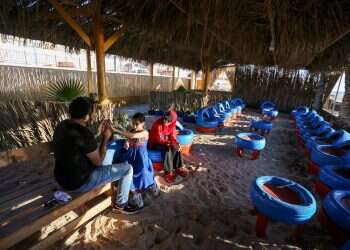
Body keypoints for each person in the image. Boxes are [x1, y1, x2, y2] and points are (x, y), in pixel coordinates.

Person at [52, 97, 142, 214]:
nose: (94, 115)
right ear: (86, 116)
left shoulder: (62, 125)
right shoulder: (84, 134)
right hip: (78, 183)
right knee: (128, 168)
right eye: (93, 112)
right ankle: (121, 205)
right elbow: (98, 161)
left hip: (61, 178)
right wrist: (105, 138)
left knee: (107, 157)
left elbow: (79, 144)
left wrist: (97, 134)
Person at [112, 112, 159, 208]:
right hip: (131, 156)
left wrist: (116, 130)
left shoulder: (145, 132)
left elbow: (132, 136)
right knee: (130, 174)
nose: (134, 125)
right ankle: (136, 195)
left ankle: (152, 186)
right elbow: (129, 138)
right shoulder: (131, 130)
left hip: (141, 158)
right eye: (133, 123)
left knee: (144, 174)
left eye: (136, 124)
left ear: (143, 123)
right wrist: (127, 142)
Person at [148, 111, 188, 183]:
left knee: (177, 147)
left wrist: (176, 143)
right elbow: (159, 139)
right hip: (155, 143)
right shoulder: (158, 125)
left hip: (165, 141)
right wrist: (171, 143)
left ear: (172, 121)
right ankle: (168, 173)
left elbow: (172, 135)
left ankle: (178, 167)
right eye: (165, 118)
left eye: (168, 120)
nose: (165, 121)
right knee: (167, 149)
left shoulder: (173, 124)